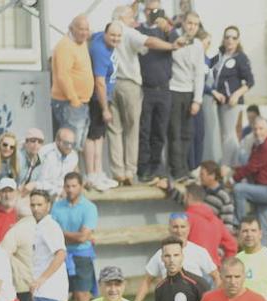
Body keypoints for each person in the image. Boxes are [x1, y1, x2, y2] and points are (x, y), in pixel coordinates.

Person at [106, 3, 180, 187]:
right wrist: (171, 46)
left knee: (115, 131)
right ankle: (130, 172)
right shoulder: (128, 31)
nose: (134, 20)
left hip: (111, 84)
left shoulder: (108, 31)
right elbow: (150, 42)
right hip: (129, 84)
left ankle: (117, 173)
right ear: (123, 17)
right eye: (131, 17)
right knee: (133, 131)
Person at [25, 190, 70, 301]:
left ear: (48, 205)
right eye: (33, 205)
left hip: (46, 290)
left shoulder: (48, 226)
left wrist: (41, 279)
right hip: (47, 290)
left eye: (39, 204)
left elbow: (61, 253)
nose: (35, 208)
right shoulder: (41, 226)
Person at [136, 211, 218, 301]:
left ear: (189, 228)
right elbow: (147, 281)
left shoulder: (199, 251)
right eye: (175, 227)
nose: (179, 231)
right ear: (169, 229)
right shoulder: (160, 253)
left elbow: (216, 277)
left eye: (183, 227)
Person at [167, 12, 206, 185]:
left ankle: (183, 167)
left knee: (187, 133)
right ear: (183, 23)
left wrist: (197, 99)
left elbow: (199, 73)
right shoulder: (173, 38)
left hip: (190, 93)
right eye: (189, 23)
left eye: (195, 24)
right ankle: (176, 170)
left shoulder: (198, 45)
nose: (192, 27)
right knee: (174, 132)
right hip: (174, 90)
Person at [51, 171, 99, 301]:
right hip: (61, 255)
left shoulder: (89, 207)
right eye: (67, 186)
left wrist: (62, 234)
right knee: (59, 296)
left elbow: (83, 237)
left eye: (74, 186)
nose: (70, 189)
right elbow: (53, 234)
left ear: (81, 186)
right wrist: (76, 236)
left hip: (82, 256)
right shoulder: (57, 206)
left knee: (82, 296)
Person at [231, 117, 267, 234]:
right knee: (262, 227)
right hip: (264, 187)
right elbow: (252, 165)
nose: (257, 132)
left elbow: (252, 167)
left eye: (261, 128)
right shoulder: (259, 145)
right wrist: (235, 170)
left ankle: (240, 223)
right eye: (255, 129)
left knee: (238, 189)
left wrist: (232, 179)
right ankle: (261, 250)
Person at [85, 20, 121, 192]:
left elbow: (92, 32)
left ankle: (99, 172)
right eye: (112, 35)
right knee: (93, 136)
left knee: (100, 137)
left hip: (104, 97)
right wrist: (105, 108)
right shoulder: (100, 51)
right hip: (97, 98)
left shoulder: (99, 36)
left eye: (118, 35)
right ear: (106, 34)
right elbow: (99, 82)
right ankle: (91, 175)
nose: (116, 38)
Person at [211, 25, 254, 165]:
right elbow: (206, 68)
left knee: (229, 135)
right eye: (227, 37)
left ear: (238, 40)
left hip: (231, 103)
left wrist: (236, 94)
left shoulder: (240, 57)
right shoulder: (219, 56)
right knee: (221, 135)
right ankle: (223, 163)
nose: (230, 40)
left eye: (233, 37)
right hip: (217, 101)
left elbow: (250, 81)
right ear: (223, 39)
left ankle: (231, 166)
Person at [51, 15, 94, 150]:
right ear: (71, 28)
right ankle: (68, 171)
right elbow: (63, 76)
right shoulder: (65, 46)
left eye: (87, 29)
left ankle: (73, 171)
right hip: (68, 103)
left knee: (77, 142)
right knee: (69, 144)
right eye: (81, 29)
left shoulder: (81, 43)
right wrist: (74, 100)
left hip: (80, 102)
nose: (85, 33)